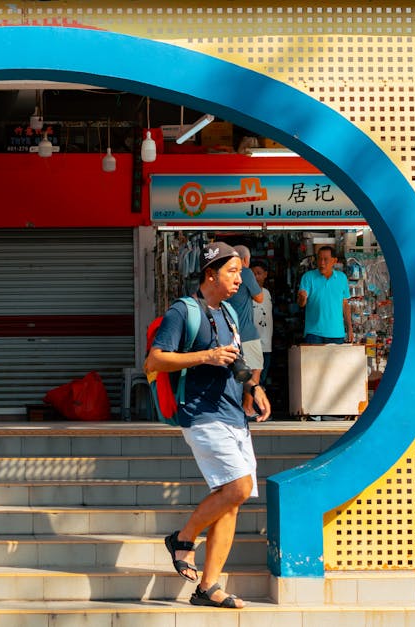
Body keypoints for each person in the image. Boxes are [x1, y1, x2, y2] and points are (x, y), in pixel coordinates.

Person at [145, 241, 271, 609]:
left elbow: (236, 361)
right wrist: (206, 356)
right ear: (210, 274)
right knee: (239, 487)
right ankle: (182, 539)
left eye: (240, 273)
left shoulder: (230, 312)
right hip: (201, 413)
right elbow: (154, 361)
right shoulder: (183, 312)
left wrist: (255, 387)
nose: (239, 279)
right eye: (232, 272)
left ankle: (208, 587)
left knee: (231, 501)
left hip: (233, 413)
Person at [226, 245, 264, 418]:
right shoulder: (246, 273)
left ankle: (231, 407)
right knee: (255, 368)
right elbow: (259, 297)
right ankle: (247, 407)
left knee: (231, 371)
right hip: (247, 333)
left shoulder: (224, 273)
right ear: (245, 260)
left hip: (228, 333)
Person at [297, 245, 354, 345]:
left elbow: (345, 305)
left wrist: (350, 328)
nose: (322, 263)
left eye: (326, 259)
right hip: (314, 333)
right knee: (313, 361)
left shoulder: (342, 278)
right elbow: (301, 304)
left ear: (334, 261)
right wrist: (302, 297)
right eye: (319, 259)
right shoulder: (308, 277)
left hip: (337, 333)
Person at [250, 258, 273, 387]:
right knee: (253, 379)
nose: (256, 277)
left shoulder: (267, 293)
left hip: (266, 344)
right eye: (253, 274)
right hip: (252, 343)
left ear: (265, 274)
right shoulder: (246, 294)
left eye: (259, 273)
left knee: (262, 378)